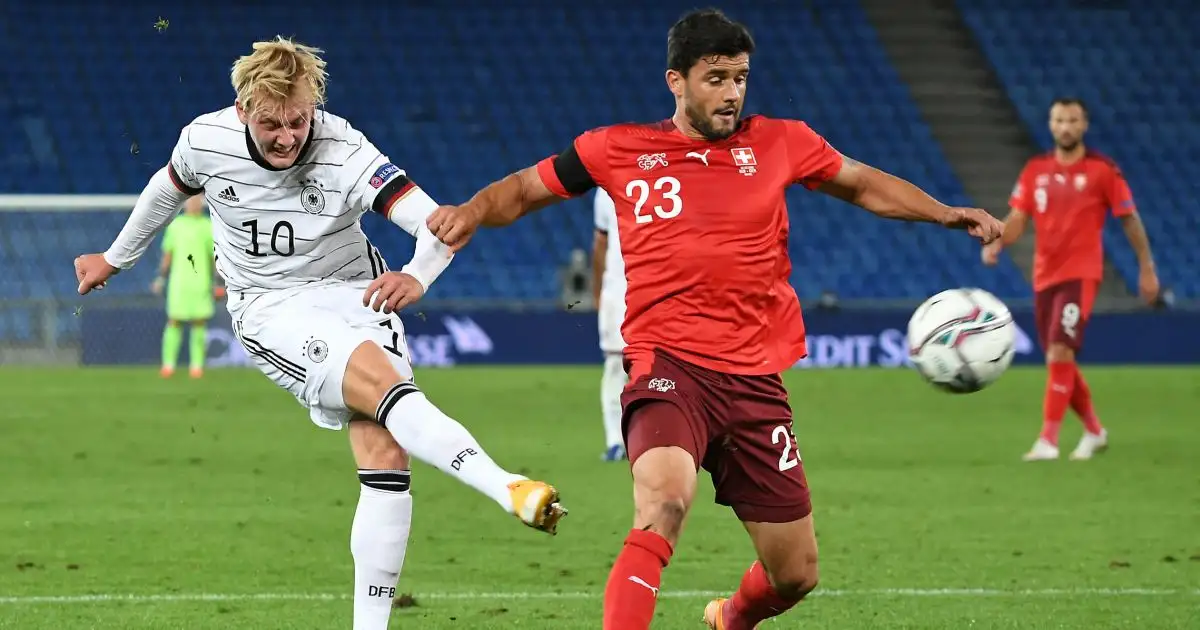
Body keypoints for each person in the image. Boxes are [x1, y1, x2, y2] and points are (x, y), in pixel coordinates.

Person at [425, 9, 1001, 629]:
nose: (731, 94)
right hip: (667, 366)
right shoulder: (616, 149)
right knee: (665, 503)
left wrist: (944, 213)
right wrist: (475, 210)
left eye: (740, 78)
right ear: (677, 81)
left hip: (756, 380)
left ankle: (731, 618)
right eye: (716, 78)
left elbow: (861, 185)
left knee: (796, 573)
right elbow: (523, 189)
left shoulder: (783, 141)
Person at [72, 36, 566, 630]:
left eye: (298, 121)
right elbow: (165, 191)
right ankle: (505, 485)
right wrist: (115, 258)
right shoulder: (205, 140)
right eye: (271, 123)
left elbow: (438, 225)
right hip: (272, 307)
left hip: (359, 293)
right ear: (242, 110)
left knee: (386, 455)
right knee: (383, 386)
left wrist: (417, 274)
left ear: (315, 108)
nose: (287, 137)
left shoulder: (344, 150)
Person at [983, 97, 1159, 462]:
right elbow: (1018, 217)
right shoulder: (1035, 170)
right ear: (1051, 124)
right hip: (1044, 277)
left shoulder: (1102, 171)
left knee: (1060, 351)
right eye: (1059, 120)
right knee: (1057, 359)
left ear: (1084, 125)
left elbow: (1129, 218)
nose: (1066, 127)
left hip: (1080, 275)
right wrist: (999, 241)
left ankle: (1048, 440)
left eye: (1073, 120)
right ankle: (1094, 431)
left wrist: (1146, 267)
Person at [151, 195, 223, 378]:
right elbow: (168, 254)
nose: (194, 204)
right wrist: (161, 278)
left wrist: (218, 282)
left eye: (197, 201)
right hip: (179, 282)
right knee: (174, 320)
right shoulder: (176, 225)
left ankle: (196, 366)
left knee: (199, 321)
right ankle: (168, 365)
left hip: (200, 282)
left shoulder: (208, 225)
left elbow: (213, 257)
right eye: (191, 201)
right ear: (184, 204)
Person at [592, 187, 628, 461]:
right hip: (618, 290)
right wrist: (598, 290)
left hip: (658, 290)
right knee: (617, 365)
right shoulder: (606, 191)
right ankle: (616, 441)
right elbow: (600, 243)